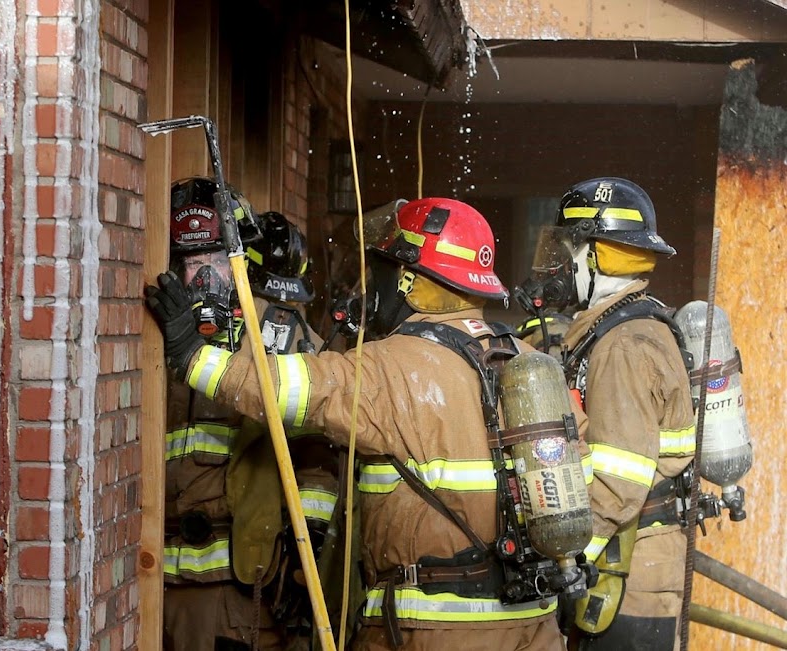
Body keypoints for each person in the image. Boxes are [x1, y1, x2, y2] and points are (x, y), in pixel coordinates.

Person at [146, 196, 595, 651]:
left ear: (406, 280)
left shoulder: (393, 367)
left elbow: (284, 388)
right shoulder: (528, 361)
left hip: (431, 633)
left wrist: (193, 356)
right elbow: (583, 482)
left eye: (382, 268)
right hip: (534, 624)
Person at [519, 177, 695, 651]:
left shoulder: (623, 345)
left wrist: (567, 560)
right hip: (629, 566)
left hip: (625, 575)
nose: (560, 265)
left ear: (596, 255)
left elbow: (619, 479)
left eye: (569, 250)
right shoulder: (624, 326)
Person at [157, 177, 332, 651]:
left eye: (217, 261)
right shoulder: (150, 332)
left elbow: (320, 452)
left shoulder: (278, 335)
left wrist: (308, 550)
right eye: (194, 264)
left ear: (241, 262)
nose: (207, 278)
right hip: (151, 579)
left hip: (241, 589)